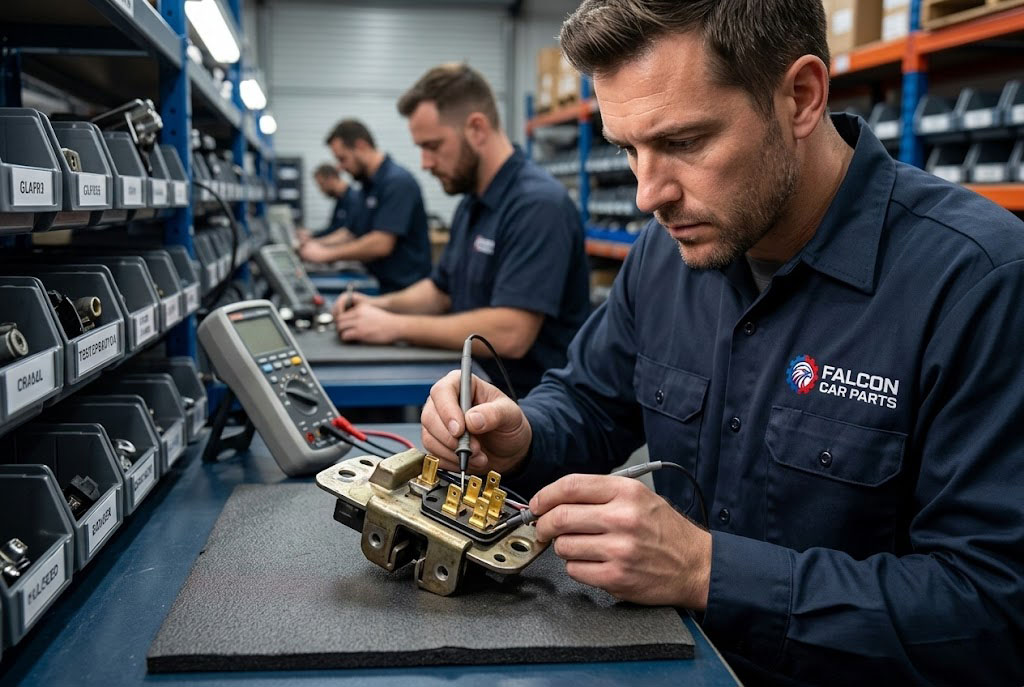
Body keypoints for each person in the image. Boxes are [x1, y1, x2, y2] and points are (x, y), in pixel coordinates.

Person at [419, 2, 1024, 685]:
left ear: (801, 97)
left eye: (683, 142)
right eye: (628, 149)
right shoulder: (664, 256)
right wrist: (521, 435)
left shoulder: (979, 283)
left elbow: (993, 610)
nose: (648, 194)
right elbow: (589, 400)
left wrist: (706, 570)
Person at [333, 64, 590, 398]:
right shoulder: (471, 203)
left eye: (433, 146)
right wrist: (377, 306)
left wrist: (393, 326)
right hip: (479, 393)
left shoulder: (538, 205)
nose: (425, 163)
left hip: (531, 408)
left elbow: (512, 333)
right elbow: (440, 291)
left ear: (477, 129)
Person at [299, 119, 431, 293]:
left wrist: (326, 254)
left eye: (342, 159)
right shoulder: (366, 187)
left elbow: (381, 243)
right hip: (378, 282)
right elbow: (351, 233)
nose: (340, 167)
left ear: (361, 146)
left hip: (405, 289)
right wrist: (316, 244)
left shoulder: (397, 182)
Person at [295, 163, 365, 244]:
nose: (321, 189)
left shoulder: (354, 199)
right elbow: (333, 228)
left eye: (322, 184)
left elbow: (347, 234)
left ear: (331, 179)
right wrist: (312, 235)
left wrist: (314, 242)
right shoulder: (340, 199)